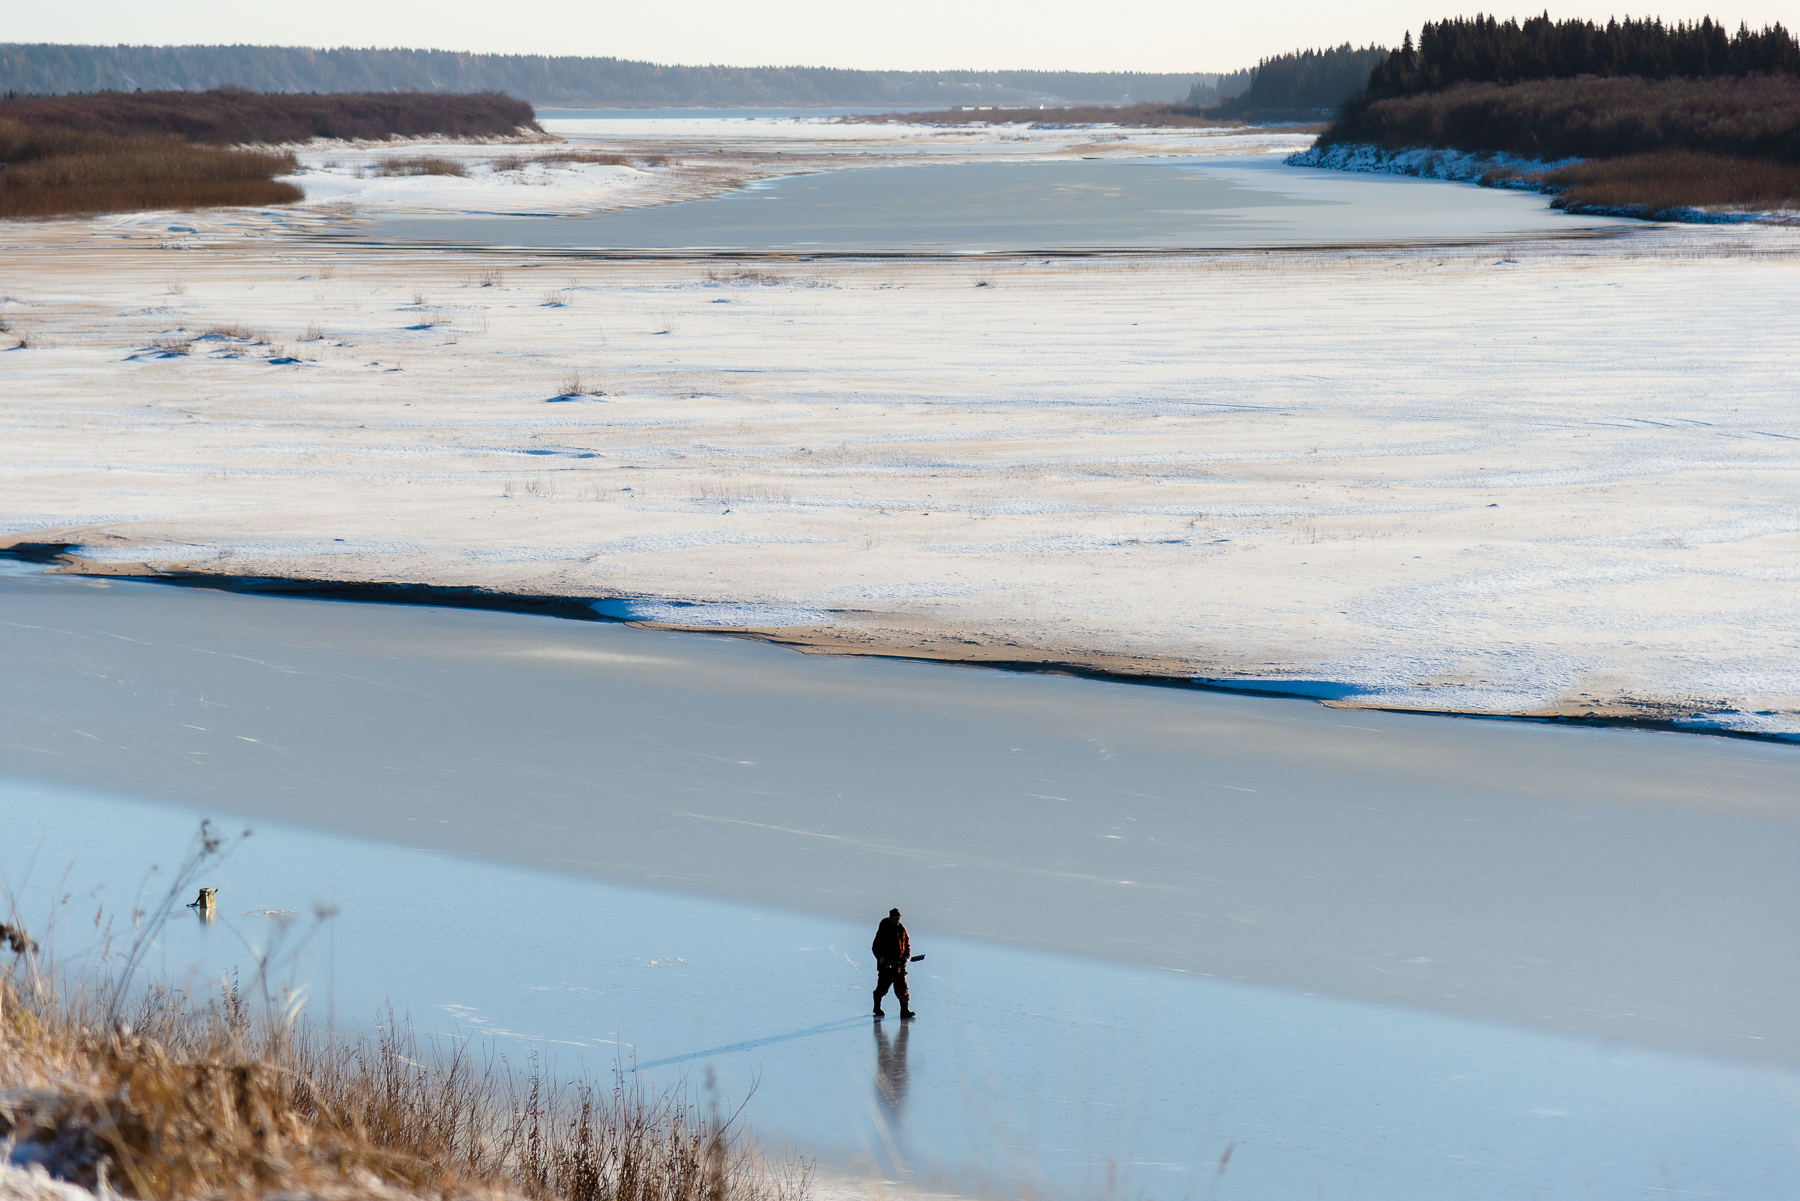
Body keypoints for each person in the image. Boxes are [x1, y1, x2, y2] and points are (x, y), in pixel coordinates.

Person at [871, 907, 916, 1020]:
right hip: (886, 967)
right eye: (896, 918)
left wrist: (906, 956)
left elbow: (907, 945)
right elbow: (875, 946)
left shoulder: (902, 929)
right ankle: (877, 1008)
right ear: (890, 918)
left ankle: (904, 1011)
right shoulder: (884, 929)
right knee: (881, 989)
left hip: (900, 967)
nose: (898, 921)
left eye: (899, 918)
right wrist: (880, 958)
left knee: (903, 990)